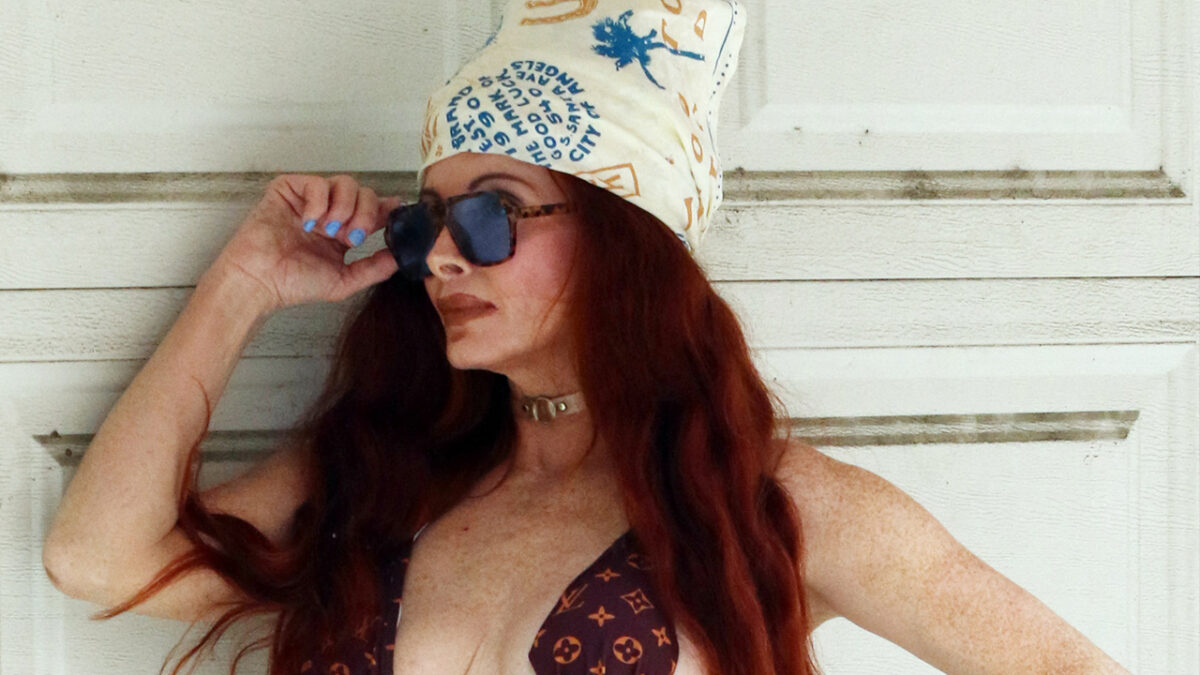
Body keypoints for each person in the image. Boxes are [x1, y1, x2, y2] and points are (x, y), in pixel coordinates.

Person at [42, 2, 1131, 674]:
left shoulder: (776, 508)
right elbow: (96, 559)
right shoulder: (384, 478)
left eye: (491, 215)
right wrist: (240, 284)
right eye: (426, 224)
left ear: (623, 241)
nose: (443, 257)